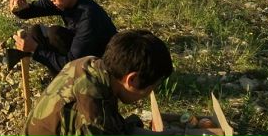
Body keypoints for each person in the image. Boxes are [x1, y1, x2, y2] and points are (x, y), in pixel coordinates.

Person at [24, 29, 174, 136]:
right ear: (132, 79)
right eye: (151, 88)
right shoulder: (94, 117)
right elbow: (102, 123)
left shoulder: (90, 64)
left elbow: (115, 124)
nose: (148, 94)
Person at [9, 0, 117, 76]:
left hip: (102, 66)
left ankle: (66, 84)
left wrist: (35, 50)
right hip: (81, 51)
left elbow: (72, 63)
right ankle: (59, 80)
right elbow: (35, 9)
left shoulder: (88, 17)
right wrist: (20, 9)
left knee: (55, 34)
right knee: (36, 32)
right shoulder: (63, 0)